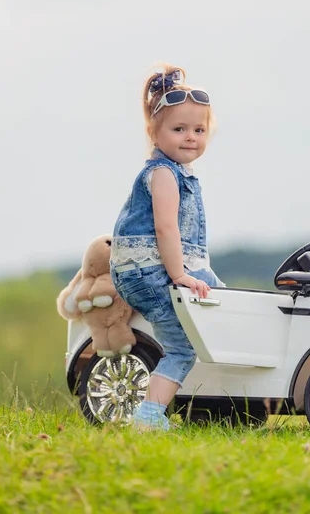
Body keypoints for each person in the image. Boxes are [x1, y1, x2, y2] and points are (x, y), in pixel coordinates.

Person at [110, 64, 225, 430]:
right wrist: (179, 275)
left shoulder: (180, 174)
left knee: (217, 299)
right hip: (151, 271)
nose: (190, 137)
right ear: (154, 133)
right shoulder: (163, 174)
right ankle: (148, 418)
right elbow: (165, 228)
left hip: (151, 267)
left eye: (199, 130)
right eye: (179, 129)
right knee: (181, 347)